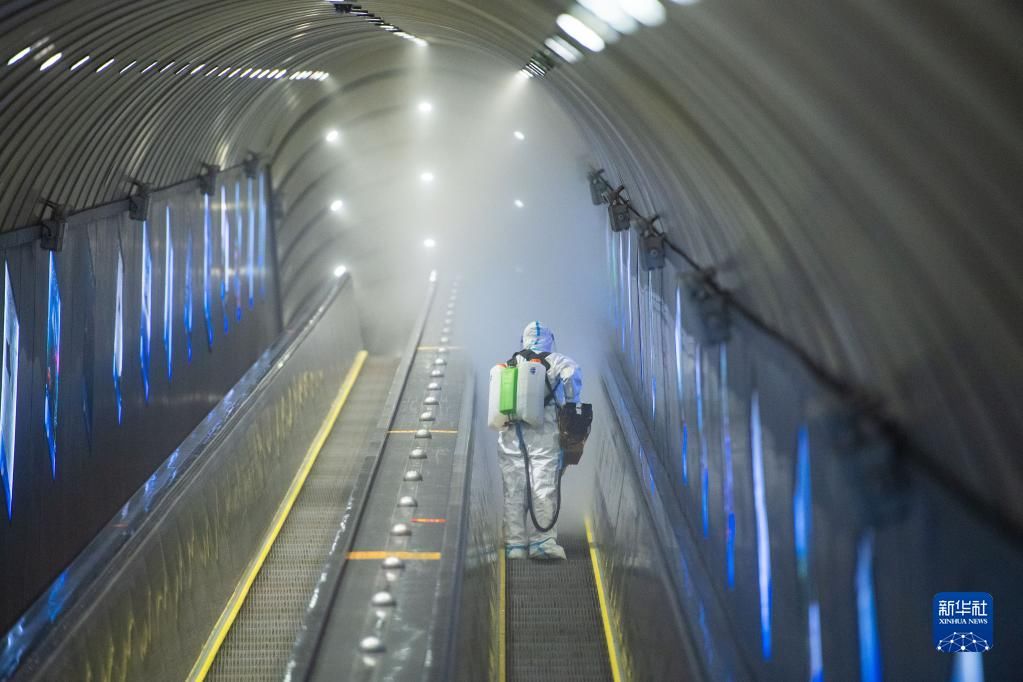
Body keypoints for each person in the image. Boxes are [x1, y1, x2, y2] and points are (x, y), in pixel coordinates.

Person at [497, 321, 582, 560]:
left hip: (510, 437)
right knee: (543, 486)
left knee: (514, 490)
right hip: (544, 435)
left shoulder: (511, 363)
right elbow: (572, 378)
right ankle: (542, 542)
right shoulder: (558, 361)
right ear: (549, 339)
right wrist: (570, 403)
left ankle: (514, 546)